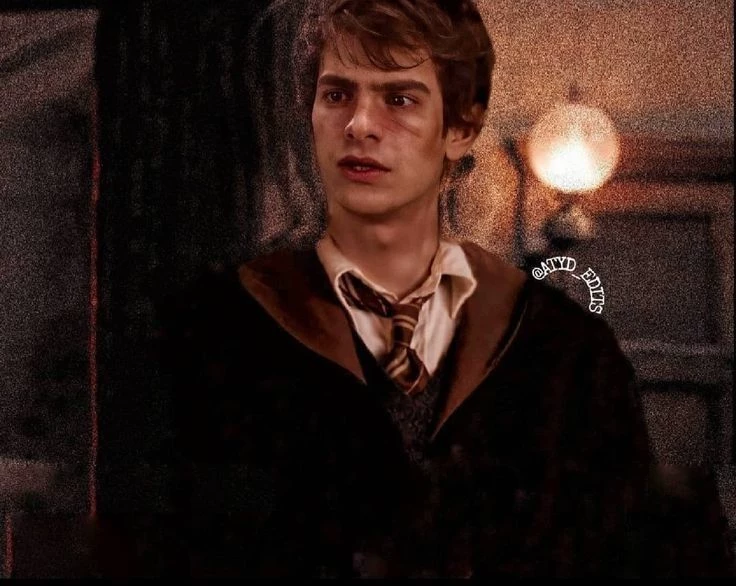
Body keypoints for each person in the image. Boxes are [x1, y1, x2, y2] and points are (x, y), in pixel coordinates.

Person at [144, 0, 733, 578]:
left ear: (460, 127)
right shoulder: (222, 328)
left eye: (398, 98)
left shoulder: (565, 351)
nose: (359, 125)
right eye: (337, 95)